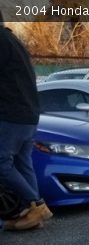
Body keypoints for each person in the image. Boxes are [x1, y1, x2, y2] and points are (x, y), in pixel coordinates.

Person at [0, 10, 52, 231]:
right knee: (23, 162)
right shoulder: (11, 39)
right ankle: (32, 213)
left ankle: (38, 205)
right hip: (29, 113)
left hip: (11, 113)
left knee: (1, 162)